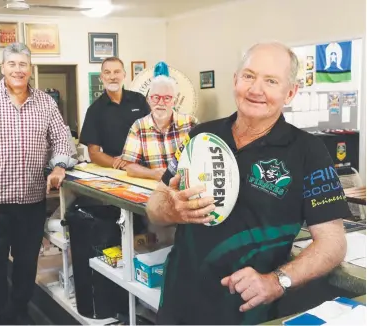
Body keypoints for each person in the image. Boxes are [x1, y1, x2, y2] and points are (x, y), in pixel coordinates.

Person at [146, 42, 350, 325]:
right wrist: (171, 209)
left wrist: (277, 282)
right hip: (180, 301)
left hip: (248, 312)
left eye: (271, 81)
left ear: (289, 92)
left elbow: (333, 243)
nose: (256, 89)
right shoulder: (201, 135)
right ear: (235, 80)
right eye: (249, 76)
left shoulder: (309, 152)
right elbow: (154, 203)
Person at [0, 42, 72, 325]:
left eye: (23, 65)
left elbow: (62, 139)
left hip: (31, 202)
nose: (18, 70)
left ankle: (19, 309)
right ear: (3, 68)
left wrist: (60, 165)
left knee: (27, 264)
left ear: (30, 69)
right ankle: (0, 314)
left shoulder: (45, 102)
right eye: (12, 64)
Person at [121, 63, 197, 180]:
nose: (161, 103)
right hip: (154, 191)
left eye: (167, 98)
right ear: (149, 100)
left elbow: (204, 157)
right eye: (156, 97)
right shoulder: (138, 127)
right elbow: (130, 167)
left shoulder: (191, 123)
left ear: (174, 101)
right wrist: (153, 174)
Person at [79, 57, 150, 169]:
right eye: (107, 73)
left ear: (124, 75)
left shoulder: (139, 100)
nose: (112, 77)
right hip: (117, 170)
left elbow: (153, 132)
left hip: (147, 166)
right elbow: (94, 154)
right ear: (102, 77)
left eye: (117, 72)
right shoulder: (94, 110)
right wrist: (122, 165)